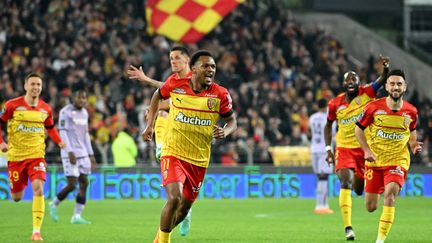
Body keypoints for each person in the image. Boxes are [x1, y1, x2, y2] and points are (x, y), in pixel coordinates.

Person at [142, 50, 237, 243]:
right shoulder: (176, 85)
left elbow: (232, 121)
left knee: (184, 209)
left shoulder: (220, 94)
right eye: (205, 66)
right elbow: (156, 96)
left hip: (199, 159)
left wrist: (225, 132)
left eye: (213, 67)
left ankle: (159, 238)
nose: (210, 69)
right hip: (173, 151)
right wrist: (149, 125)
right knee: (174, 198)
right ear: (193, 69)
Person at [128, 46, 194, 236]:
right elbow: (163, 90)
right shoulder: (174, 83)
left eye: (177, 58)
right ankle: (160, 147)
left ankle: (186, 213)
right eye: (171, 58)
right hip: (173, 145)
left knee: (183, 198)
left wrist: (147, 80)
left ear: (187, 60)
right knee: (174, 195)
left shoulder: (196, 82)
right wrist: (152, 115)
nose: (173, 61)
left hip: (192, 143)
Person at [324, 56, 389, 240]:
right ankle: (348, 228)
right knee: (345, 182)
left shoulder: (367, 93)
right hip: (344, 148)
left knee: (359, 190)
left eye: (353, 79)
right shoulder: (334, 104)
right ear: (343, 84)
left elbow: (382, 80)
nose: (350, 82)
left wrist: (385, 67)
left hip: (363, 149)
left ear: (358, 82)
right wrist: (328, 148)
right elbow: (328, 125)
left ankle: (359, 183)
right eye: (347, 79)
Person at [355, 69, 422, 243]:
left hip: (398, 160)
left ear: (405, 87)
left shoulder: (411, 111)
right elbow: (358, 129)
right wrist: (366, 150)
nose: (395, 87)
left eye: (399, 84)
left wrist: (413, 144)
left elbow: (412, 131)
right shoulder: (373, 107)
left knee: (391, 194)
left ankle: (380, 241)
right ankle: (361, 176)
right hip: (375, 161)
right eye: (392, 83)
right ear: (386, 86)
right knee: (370, 207)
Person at [0, 73, 66, 241]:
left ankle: (36, 231)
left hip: (37, 156)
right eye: (32, 84)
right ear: (25, 86)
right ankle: (17, 192)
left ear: (41, 87)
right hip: (16, 157)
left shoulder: (46, 109)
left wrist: (59, 142)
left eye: (38, 84)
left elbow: (50, 127)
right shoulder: (12, 105)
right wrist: (1, 142)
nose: (35, 87)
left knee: (38, 188)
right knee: (17, 197)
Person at [48, 89, 96, 225]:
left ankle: (76, 216)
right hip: (70, 154)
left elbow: (86, 135)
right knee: (72, 184)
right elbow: (62, 132)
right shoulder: (65, 112)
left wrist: (91, 154)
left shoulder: (85, 113)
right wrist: (69, 151)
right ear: (73, 98)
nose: (82, 100)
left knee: (84, 182)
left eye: (84, 98)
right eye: (80, 98)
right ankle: (53, 204)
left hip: (83, 153)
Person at [308, 98, 334, 214]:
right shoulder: (328, 118)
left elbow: (311, 132)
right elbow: (331, 133)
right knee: (324, 177)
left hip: (314, 149)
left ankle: (324, 204)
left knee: (320, 177)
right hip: (325, 149)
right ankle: (320, 205)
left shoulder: (312, 118)